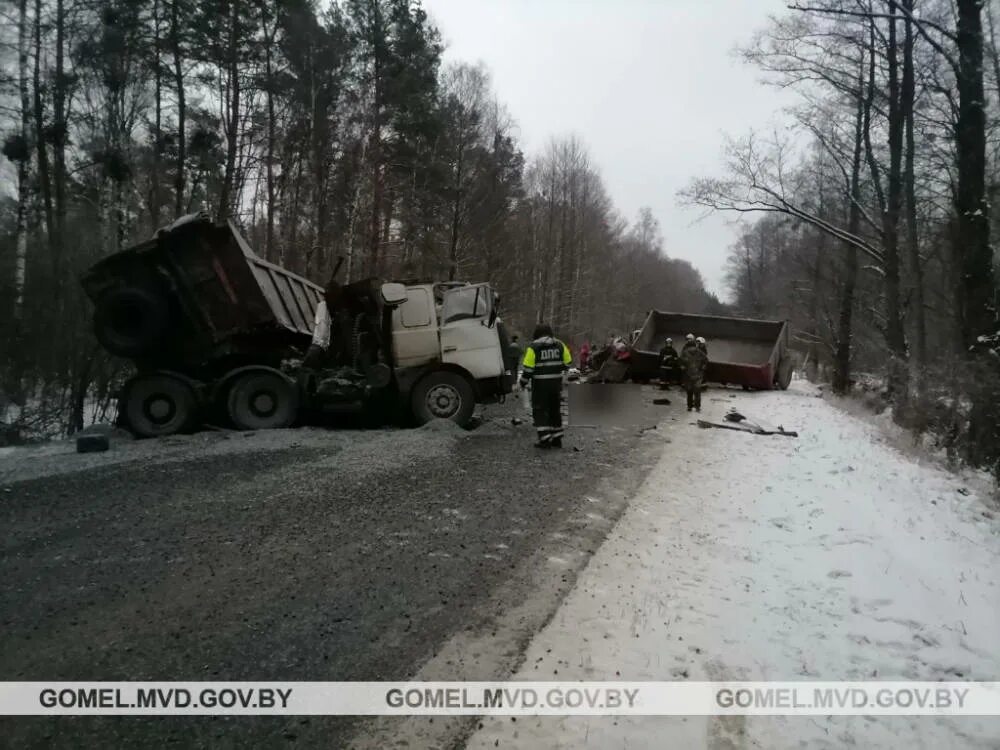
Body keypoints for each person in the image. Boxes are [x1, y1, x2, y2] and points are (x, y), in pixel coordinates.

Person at [520, 324, 572, 449]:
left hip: (540, 386)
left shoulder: (533, 347)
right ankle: (557, 438)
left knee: (540, 410)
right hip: (555, 385)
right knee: (554, 410)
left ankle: (544, 439)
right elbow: (568, 362)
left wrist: (523, 382)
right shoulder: (560, 345)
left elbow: (528, 369)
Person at [680, 335, 709, 412]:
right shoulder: (699, 352)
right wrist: (703, 367)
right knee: (696, 392)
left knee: (690, 392)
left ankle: (691, 406)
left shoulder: (685, 352)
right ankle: (696, 407)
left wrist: (682, 367)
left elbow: (680, 362)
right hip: (696, 375)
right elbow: (706, 361)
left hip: (690, 375)